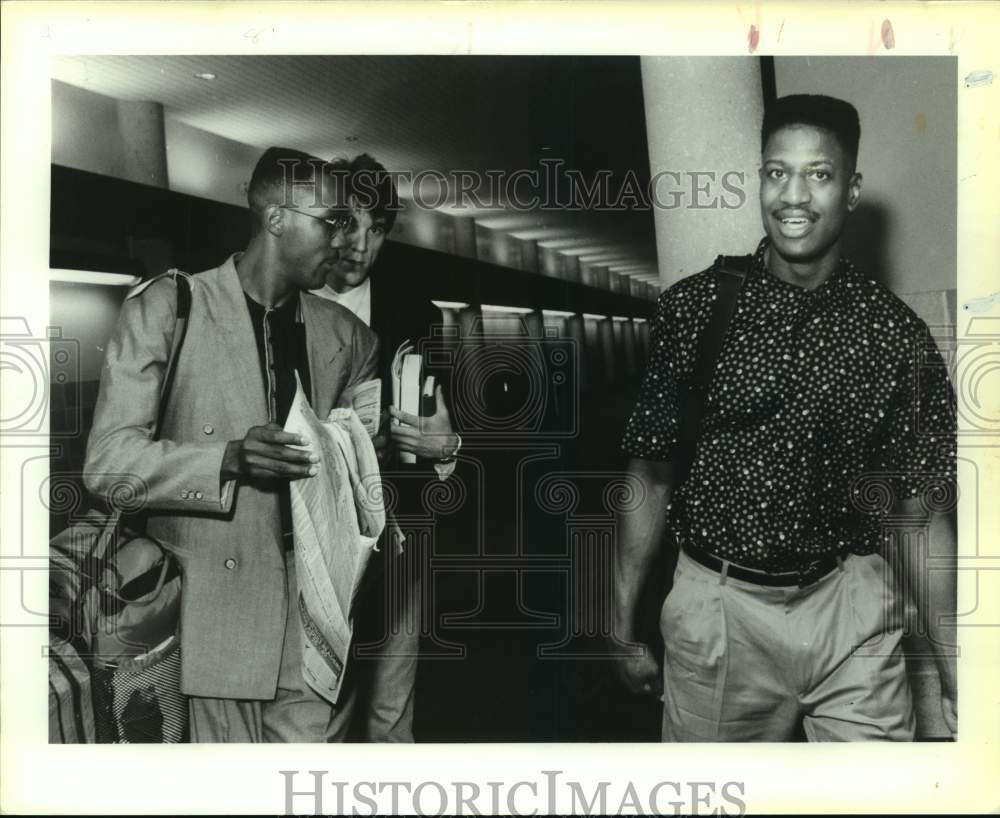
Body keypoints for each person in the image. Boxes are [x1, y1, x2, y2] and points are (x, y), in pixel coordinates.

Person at [613, 95, 958, 741]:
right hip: (721, 609)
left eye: (818, 174)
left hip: (850, 604)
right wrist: (620, 619)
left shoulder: (893, 335)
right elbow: (650, 475)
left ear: (851, 190)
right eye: (777, 172)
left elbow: (915, 512)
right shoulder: (695, 311)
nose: (793, 195)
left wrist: (954, 658)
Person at [84, 146, 385, 742]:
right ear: (276, 220)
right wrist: (226, 459)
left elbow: (364, 465)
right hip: (213, 618)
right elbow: (107, 464)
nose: (345, 239)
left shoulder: (347, 336)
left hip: (319, 623)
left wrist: (413, 446)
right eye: (332, 221)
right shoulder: (168, 307)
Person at [310, 153, 461, 741]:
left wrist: (448, 448)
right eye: (348, 223)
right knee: (324, 711)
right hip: (311, 546)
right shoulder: (284, 308)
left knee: (391, 709)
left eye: (377, 230)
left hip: (400, 536)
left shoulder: (415, 316)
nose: (360, 244)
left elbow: (450, 427)